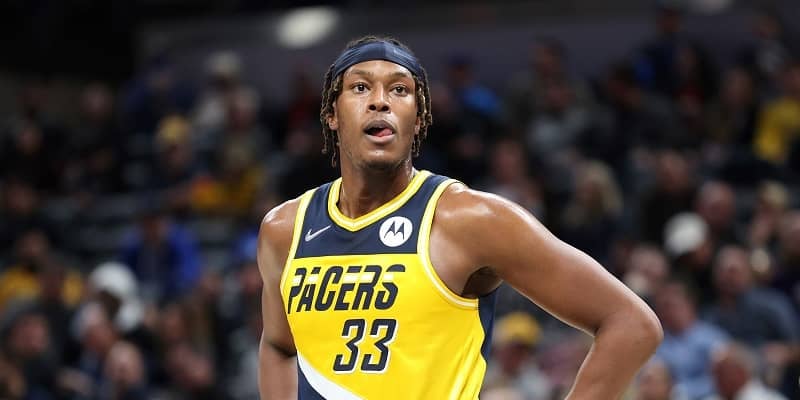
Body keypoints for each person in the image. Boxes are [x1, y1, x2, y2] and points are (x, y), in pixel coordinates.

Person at [257, 35, 662, 400]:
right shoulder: (284, 229)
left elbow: (631, 324)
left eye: (399, 90)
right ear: (332, 114)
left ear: (419, 118)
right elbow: (278, 345)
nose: (380, 101)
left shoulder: (472, 220)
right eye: (360, 87)